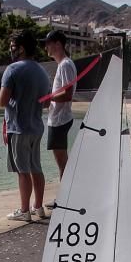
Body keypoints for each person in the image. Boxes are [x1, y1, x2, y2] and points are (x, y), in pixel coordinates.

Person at [0, 29, 51, 223]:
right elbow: (46, 103)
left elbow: (2, 101)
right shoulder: (42, 71)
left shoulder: (12, 70)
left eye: (12, 46)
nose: (11, 50)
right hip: (36, 127)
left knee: (22, 171)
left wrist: (1, 98)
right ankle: (38, 207)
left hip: (18, 128)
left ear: (20, 48)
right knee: (36, 167)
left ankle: (24, 210)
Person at [44, 30, 77, 180]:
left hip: (60, 120)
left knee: (62, 163)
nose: (46, 48)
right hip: (58, 119)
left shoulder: (65, 65)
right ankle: (65, 196)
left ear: (57, 44)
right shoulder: (63, 64)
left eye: (48, 44)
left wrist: (47, 99)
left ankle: (64, 199)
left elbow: (68, 94)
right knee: (62, 162)